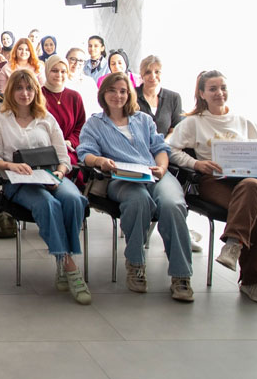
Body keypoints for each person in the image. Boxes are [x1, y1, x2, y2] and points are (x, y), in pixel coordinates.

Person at [168, 70, 257, 305]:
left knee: (250, 188)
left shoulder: (244, 122)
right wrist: (197, 163)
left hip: (255, 182)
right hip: (216, 182)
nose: (219, 93)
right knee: (252, 211)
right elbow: (170, 150)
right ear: (201, 93)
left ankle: (233, 244)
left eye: (223, 88)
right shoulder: (193, 123)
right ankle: (253, 282)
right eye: (212, 89)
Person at [78, 72, 193, 301]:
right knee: (139, 201)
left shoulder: (143, 120)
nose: (118, 95)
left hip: (154, 172)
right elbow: (85, 153)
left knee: (173, 205)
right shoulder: (95, 123)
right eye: (112, 90)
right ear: (103, 94)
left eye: (123, 91)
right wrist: (100, 161)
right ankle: (136, 263)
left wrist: (161, 168)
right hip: (120, 178)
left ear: (129, 94)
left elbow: (161, 148)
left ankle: (181, 275)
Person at [0, 69, 91, 305]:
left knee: (74, 199)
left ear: (36, 91)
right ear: (11, 91)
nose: (24, 93)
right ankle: (70, 266)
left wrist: (59, 174)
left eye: (29, 88)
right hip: (18, 182)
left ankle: (63, 259)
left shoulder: (47, 119)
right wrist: (12, 165)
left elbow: (63, 158)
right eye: (19, 88)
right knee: (48, 205)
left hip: (51, 176)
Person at [40, 56, 86, 171]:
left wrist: (69, 141)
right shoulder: (37, 95)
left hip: (67, 150)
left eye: (63, 71)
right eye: (54, 70)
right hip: (42, 150)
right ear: (47, 71)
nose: (59, 75)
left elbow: (80, 128)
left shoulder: (74, 97)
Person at [136, 55, 183, 136]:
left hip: (166, 146)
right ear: (141, 74)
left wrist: (163, 145)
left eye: (157, 72)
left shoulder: (174, 98)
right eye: (148, 72)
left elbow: (175, 130)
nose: (153, 76)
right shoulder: (131, 95)